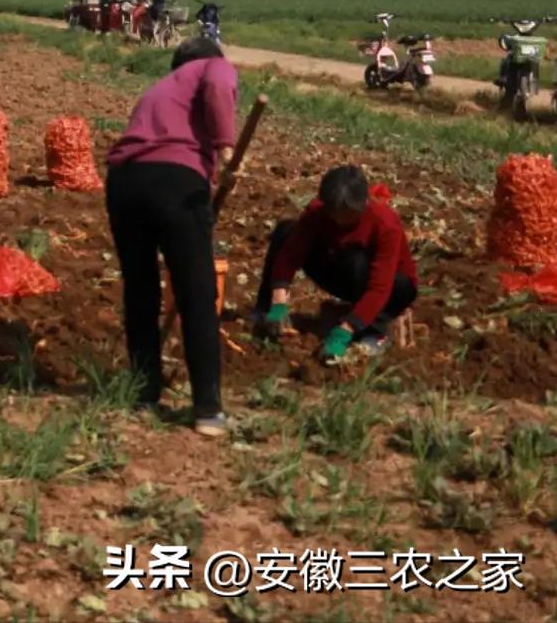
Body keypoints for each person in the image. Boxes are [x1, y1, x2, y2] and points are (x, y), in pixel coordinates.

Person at [104, 37, 239, 437]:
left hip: (124, 182)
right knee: (196, 290)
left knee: (142, 289)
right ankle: (208, 408)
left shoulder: (158, 91)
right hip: (174, 181)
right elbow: (219, 83)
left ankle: (144, 394)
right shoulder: (210, 65)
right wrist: (226, 151)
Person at [254, 165, 417, 360]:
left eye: (348, 217)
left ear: (364, 203)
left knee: (356, 261)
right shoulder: (317, 213)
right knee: (286, 231)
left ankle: (375, 331)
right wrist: (279, 299)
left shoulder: (384, 224)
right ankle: (265, 313)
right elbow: (290, 253)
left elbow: (379, 287)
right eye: (335, 215)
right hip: (346, 272)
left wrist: (346, 329)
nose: (340, 222)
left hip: (392, 288)